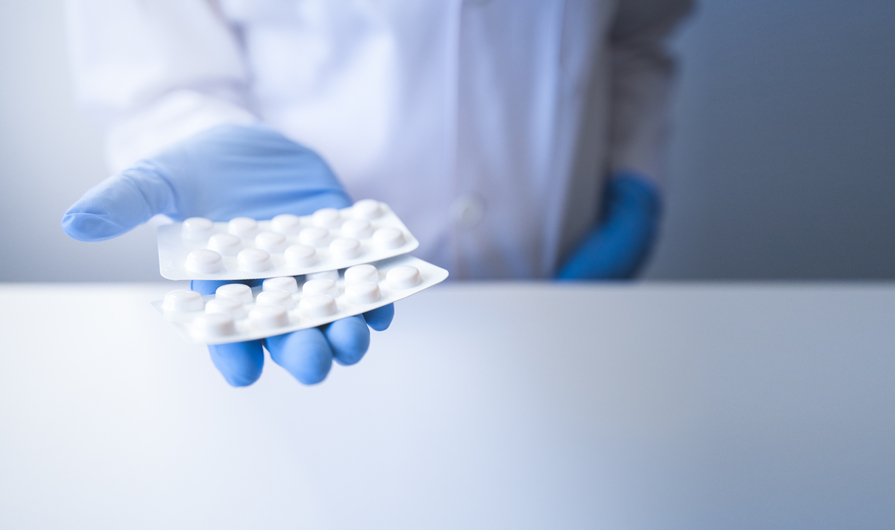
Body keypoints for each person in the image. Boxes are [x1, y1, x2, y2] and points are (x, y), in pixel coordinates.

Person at [62, 0, 693, 386]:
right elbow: (154, 69)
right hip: (314, 298)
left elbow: (635, 35)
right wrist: (210, 143)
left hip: (560, 310)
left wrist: (631, 171)